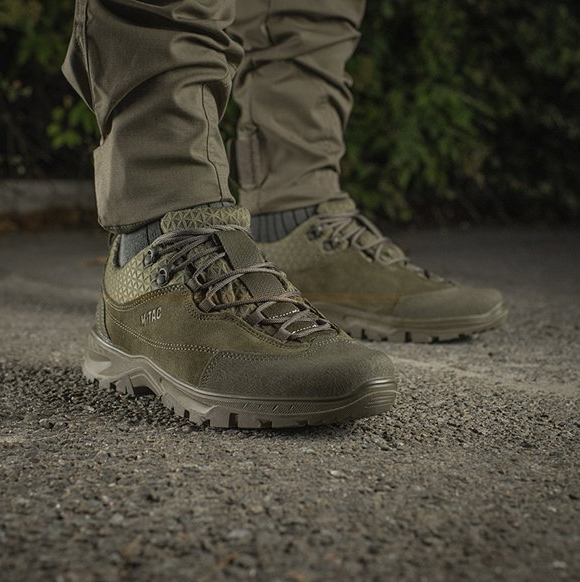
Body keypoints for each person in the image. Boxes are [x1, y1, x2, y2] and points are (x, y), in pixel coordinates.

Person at [62, 0, 506, 428]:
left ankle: (297, 212)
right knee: (164, 8)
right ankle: (159, 236)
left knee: (311, 13)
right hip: (159, 235)